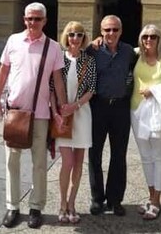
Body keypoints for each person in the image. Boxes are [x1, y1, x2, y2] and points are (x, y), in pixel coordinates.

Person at [0, 2, 68, 229]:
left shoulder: (53, 47)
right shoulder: (13, 41)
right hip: (14, 112)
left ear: (45, 21)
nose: (32, 23)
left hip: (41, 114)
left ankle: (36, 207)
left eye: (37, 19)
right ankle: (12, 206)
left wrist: (62, 109)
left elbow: (57, 80)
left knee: (39, 163)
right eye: (28, 19)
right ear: (23, 19)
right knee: (11, 161)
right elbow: (3, 70)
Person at [86, 15, 136, 216]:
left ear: (121, 31)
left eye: (115, 30)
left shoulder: (129, 52)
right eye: (107, 30)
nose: (111, 34)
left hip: (121, 108)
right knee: (94, 154)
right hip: (98, 106)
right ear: (101, 31)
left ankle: (115, 199)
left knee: (119, 155)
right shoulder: (93, 50)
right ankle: (97, 198)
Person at [130, 24, 161, 220]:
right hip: (136, 112)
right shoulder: (136, 56)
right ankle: (151, 196)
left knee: (158, 155)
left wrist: (155, 91)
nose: (148, 40)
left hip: (159, 114)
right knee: (144, 156)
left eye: (153, 36)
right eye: (145, 37)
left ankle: (157, 200)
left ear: (159, 39)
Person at [55, 21, 96, 224]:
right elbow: (52, 86)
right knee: (67, 162)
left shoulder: (89, 61)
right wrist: (60, 110)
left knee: (79, 163)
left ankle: (72, 204)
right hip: (63, 116)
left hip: (81, 115)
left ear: (83, 38)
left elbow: (92, 88)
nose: (75, 38)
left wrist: (76, 106)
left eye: (79, 34)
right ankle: (62, 203)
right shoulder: (59, 59)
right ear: (66, 37)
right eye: (71, 34)